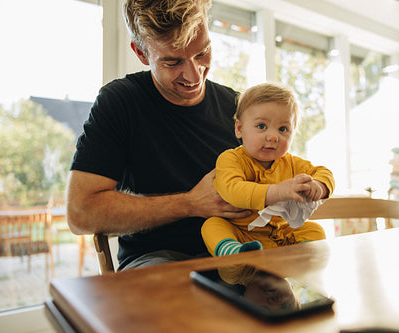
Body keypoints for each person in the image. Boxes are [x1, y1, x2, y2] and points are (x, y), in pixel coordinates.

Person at [66, 0, 251, 270]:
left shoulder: (237, 106)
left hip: (239, 250)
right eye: (173, 62)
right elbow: (80, 212)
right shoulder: (120, 102)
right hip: (157, 259)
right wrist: (190, 203)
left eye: (202, 53)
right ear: (141, 54)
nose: (194, 74)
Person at [201, 83, 335, 256]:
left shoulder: (292, 163)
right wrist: (276, 192)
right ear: (239, 128)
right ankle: (233, 253)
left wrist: (319, 185)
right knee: (212, 226)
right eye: (262, 126)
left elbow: (324, 172)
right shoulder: (231, 159)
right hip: (241, 234)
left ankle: (302, 257)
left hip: (281, 235)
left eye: (283, 129)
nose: (273, 137)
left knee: (314, 229)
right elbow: (232, 190)